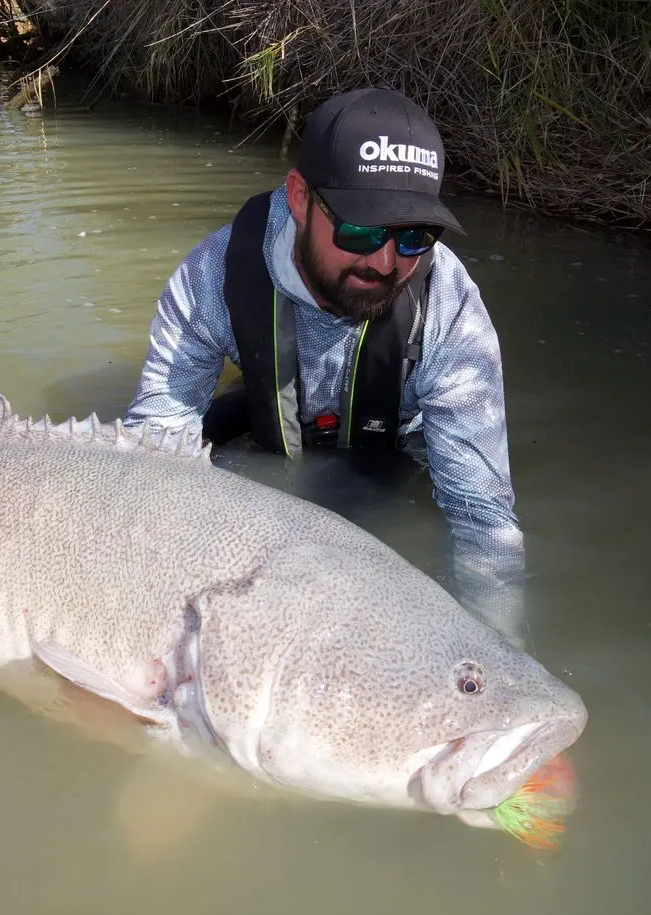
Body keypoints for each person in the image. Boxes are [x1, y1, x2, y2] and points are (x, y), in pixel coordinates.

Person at [123, 86, 526, 641]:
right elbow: (152, 464)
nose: (384, 262)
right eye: (359, 229)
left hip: (394, 449)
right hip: (268, 434)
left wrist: (497, 646)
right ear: (298, 197)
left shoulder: (449, 304)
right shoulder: (211, 278)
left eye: (414, 236)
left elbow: (482, 517)